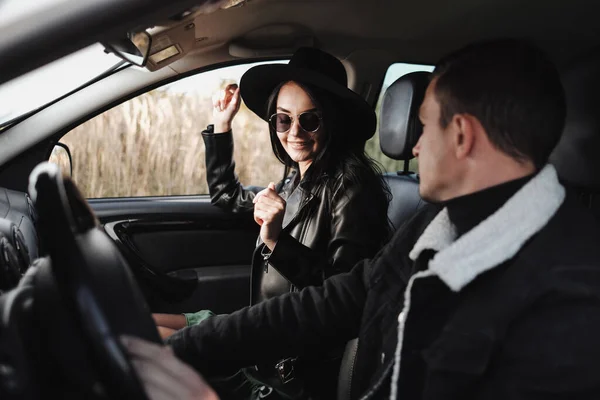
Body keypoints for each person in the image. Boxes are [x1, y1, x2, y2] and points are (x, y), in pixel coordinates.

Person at [129, 38, 600, 399]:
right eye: (283, 120)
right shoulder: (431, 228)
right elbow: (331, 302)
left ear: (460, 135)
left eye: (424, 126)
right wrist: (189, 348)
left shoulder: (568, 300)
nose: (413, 147)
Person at [154, 47, 392, 399]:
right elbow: (229, 199)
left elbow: (344, 298)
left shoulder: (353, 187)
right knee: (137, 324)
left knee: (142, 349)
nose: (294, 132)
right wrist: (221, 127)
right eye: (283, 119)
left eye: (310, 120)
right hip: (264, 336)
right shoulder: (296, 178)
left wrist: (277, 241)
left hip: (287, 372)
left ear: (333, 121)